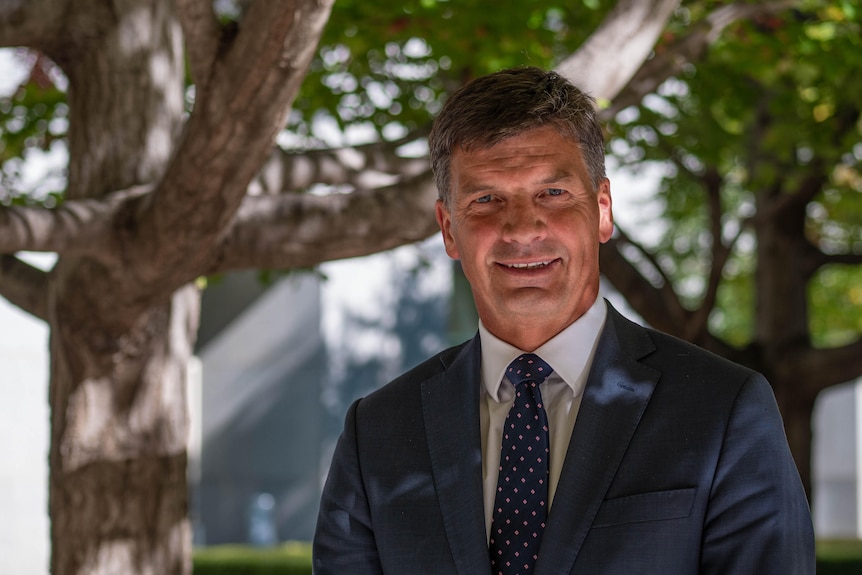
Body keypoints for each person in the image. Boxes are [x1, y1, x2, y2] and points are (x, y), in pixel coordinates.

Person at [313, 66, 815, 574]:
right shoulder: (376, 434)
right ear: (448, 229)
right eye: (487, 199)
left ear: (601, 209)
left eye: (552, 194)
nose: (522, 227)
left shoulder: (723, 411)